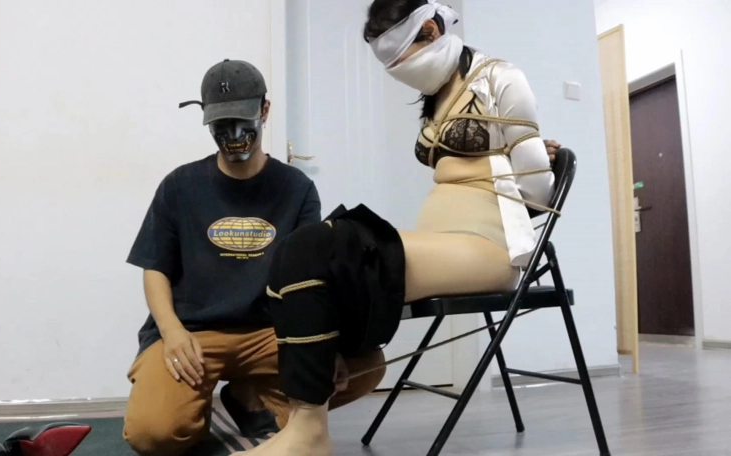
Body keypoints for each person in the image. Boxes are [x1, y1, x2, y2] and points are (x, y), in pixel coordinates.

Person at [236, 1, 561, 455]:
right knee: (301, 249)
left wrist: (525, 156)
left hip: (487, 246)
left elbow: (538, 192)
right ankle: (308, 415)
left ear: (430, 29)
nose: (398, 72)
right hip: (443, 241)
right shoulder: (440, 93)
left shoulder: (500, 78)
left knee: (320, 249)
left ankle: (308, 435)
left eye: (401, 59)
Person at [121, 59, 387, 456]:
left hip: (271, 334)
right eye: (221, 123)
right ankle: (197, 409)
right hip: (194, 334)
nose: (233, 134)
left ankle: (250, 397)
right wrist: (172, 332)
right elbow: (154, 267)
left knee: (367, 365)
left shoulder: (297, 189)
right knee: (153, 434)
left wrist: (325, 343)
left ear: (265, 110)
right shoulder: (179, 186)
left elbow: (310, 281)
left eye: (243, 119)